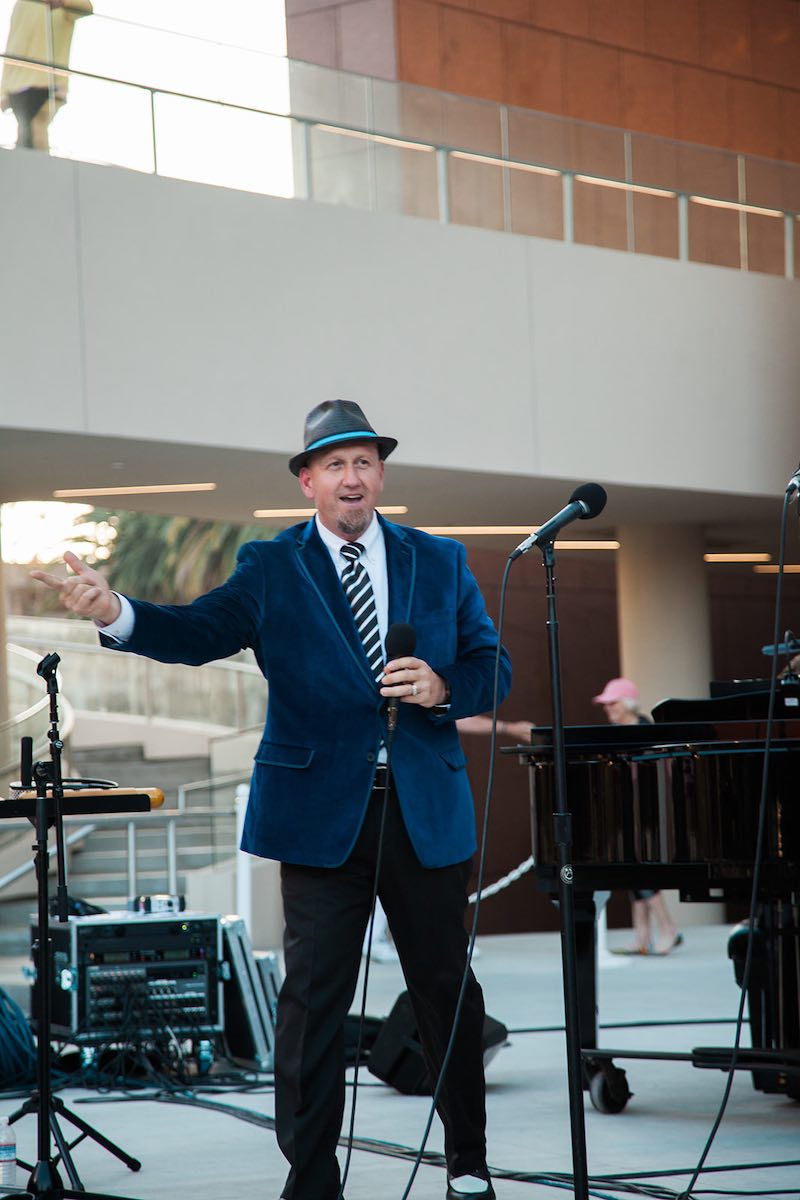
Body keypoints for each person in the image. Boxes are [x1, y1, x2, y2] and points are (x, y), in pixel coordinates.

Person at [33, 399, 511, 1200]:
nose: (351, 477)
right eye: (334, 464)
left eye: (363, 461)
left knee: (446, 991)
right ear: (307, 482)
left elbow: (491, 665)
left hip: (424, 811)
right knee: (311, 1005)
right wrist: (116, 612)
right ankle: (312, 1179)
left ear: (381, 474)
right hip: (320, 817)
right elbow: (195, 632)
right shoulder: (271, 566)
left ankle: (468, 1163)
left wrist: (444, 684)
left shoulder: (442, 558)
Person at [592, 677, 683, 957]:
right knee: (631, 868)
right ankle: (642, 935)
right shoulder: (614, 732)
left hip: (645, 809)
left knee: (640, 868)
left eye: (613, 703)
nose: (608, 709)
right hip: (622, 808)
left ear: (627, 703)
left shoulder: (645, 730)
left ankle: (668, 928)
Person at [1, 0, 92, 151]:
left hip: (49, 83)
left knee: (37, 128)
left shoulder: (63, 4)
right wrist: (3, 90)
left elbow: (86, 7)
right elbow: (12, 46)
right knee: (25, 134)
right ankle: (34, 169)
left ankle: (41, 170)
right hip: (17, 86)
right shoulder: (22, 4)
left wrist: (61, 2)